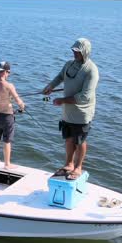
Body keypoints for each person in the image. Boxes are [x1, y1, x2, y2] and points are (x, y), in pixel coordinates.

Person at [43, 38, 99, 180]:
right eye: (73, 50)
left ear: (85, 52)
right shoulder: (69, 64)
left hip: (82, 113)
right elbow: (60, 77)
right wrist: (50, 86)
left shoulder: (92, 70)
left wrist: (62, 100)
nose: (74, 53)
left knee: (79, 141)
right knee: (68, 138)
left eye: (78, 51)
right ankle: (68, 164)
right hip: (68, 111)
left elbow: (84, 96)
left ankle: (78, 167)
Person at [0, 61, 25, 169]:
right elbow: (18, 101)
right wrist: (22, 106)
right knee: (7, 141)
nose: (8, 74)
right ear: (5, 72)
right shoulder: (9, 86)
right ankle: (7, 164)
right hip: (7, 117)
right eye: (8, 72)